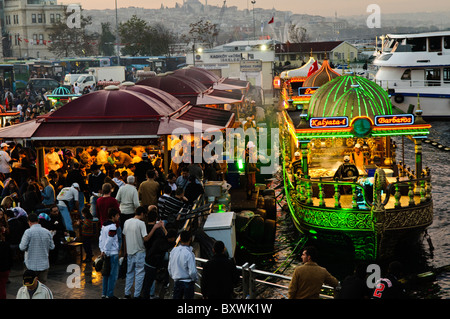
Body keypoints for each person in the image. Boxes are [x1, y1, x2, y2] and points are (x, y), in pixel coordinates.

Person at [123, 206, 163, 299]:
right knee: (139, 275)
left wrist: (125, 251)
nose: (145, 216)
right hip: (140, 252)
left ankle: (127, 293)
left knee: (129, 273)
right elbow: (146, 238)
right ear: (142, 213)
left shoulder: (127, 222)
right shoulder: (141, 224)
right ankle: (136, 295)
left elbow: (124, 237)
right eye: (145, 214)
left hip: (129, 252)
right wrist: (154, 228)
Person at [142, 209, 175, 299]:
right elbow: (168, 238)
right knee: (150, 281)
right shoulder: (159, 233)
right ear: (156, 218)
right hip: (154, 260)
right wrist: (162, 227)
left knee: (148, 281)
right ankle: (153, 293)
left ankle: (150, 295)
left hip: (148, 256)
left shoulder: (145, 227)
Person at [19, 213, 55, 284]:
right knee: (42, 287)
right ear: (38, 220)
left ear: (29, 222)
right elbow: (52, 246)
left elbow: (22, 247)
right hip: (44, 264)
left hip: (30, 265)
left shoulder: (28, 232)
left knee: (30, 287)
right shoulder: (47, 232)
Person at [168, 230, 198, 299]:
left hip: (177, 281)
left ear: (180, 239)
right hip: (188, 282)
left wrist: (174, 276)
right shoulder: (189, 253)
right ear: (190, 239)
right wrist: (195, 279)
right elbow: (192, 271)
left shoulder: (173, 251)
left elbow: (169, 268)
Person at [99, 208, 121, 299]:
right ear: (113, 216)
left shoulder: (104, 225)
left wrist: (102, 250)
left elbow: (101, 239)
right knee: (113, 275)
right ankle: (110, 294)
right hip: (112, 253)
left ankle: (104, 294)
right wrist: (106, 251)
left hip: (105, 252)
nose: (118, 217)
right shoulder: (112, 227)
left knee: (106, 274)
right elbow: (110, 239)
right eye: (117, 215)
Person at [0, 221, 13, 299]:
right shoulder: (6, 245)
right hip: (4, 269)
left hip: (4, 269)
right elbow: (10, 257)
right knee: (2, 287)